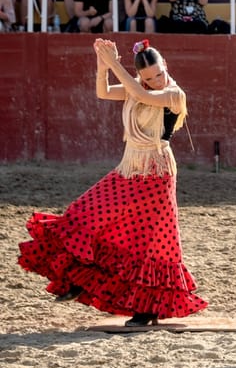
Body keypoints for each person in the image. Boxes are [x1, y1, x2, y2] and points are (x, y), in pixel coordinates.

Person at [18, 38, 208, 327]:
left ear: (165, 65)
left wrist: (114, 63)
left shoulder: (174, 94)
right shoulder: (139, 88)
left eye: (159, 73)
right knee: (86, 212)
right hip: (130, 169)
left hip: (156, 174)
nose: (156, 80)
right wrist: (101, 63)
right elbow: (103, 91)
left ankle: (147, 310)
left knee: (152, 244)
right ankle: (80, 278)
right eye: (149, 77)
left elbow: (138, 94)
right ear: (142, 77)